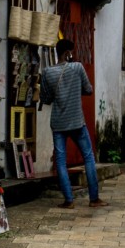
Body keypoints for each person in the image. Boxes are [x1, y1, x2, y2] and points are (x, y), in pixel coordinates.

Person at [42, 40, 106, 209]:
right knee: (88, 157)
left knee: (60, 162)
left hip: (58, 123)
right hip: (77, 122)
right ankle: (94, 199)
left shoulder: (47, 72)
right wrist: (76, 89)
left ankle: (69, 201)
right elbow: (89, 89)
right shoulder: (77, 67)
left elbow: (46, 99)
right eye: (71, 52)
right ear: (68, 53)